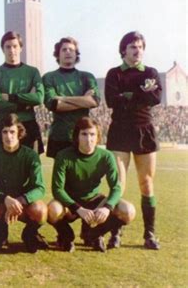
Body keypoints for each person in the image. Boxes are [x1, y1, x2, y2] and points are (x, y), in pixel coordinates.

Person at [105, 31, 162, 250]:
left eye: (140, 47)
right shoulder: (114, 74)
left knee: (146, 182)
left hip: (143, 130)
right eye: (133, 47)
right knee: (118, 183)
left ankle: (149, 234)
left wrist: (128, 95)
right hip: (119, 130)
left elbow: (155, 98)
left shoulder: (151, 72)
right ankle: (115, 232)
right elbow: (112, 101)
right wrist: (140, 94)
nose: (137, 51)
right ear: (123, 50)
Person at [47, 117, 135, 253]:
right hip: (70, 203)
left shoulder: (106, 156)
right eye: (84, 134)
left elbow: (116, 187)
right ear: (76, 136)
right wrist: (78, 209)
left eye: (92, 134)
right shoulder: (63, 156)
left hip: (95, 200)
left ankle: (94, 234)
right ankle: (66, 236)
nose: (89, 139)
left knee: (128, 211)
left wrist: (107, 208)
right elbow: (57, 189)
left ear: (98, 136)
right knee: (52, 210)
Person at [0, 113, 47, 253]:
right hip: (1, 200)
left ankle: (29, 235)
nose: (8, 136)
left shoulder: (30, 155)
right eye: (5, 132)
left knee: (40, 210)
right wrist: (5, 199)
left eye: (12, 132)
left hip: (22, 201)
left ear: (19, 133)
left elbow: (40, 187)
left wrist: (21, 200)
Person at [42, 37, 100, 158]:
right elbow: (53, 105)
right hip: (60, 135)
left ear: (76, 54)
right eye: (64, 50)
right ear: (58, 54)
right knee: (61, 175)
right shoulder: (49, 77)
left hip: (84, 134)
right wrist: (83, 100)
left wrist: (63, 99)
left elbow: (94, 101)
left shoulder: (87, 77)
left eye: (71, 50)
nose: (68, 52)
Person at [0, 31, 44, 153]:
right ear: (3, 49)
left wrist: (10, 97)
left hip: (28, 125)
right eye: (8, 47)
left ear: (21, 48)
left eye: (15, 46)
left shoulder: (32, 72)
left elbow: (39, 98)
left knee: (31, 168)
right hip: (4, 125)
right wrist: (25, 104)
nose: (12, 50)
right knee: (3, 170)